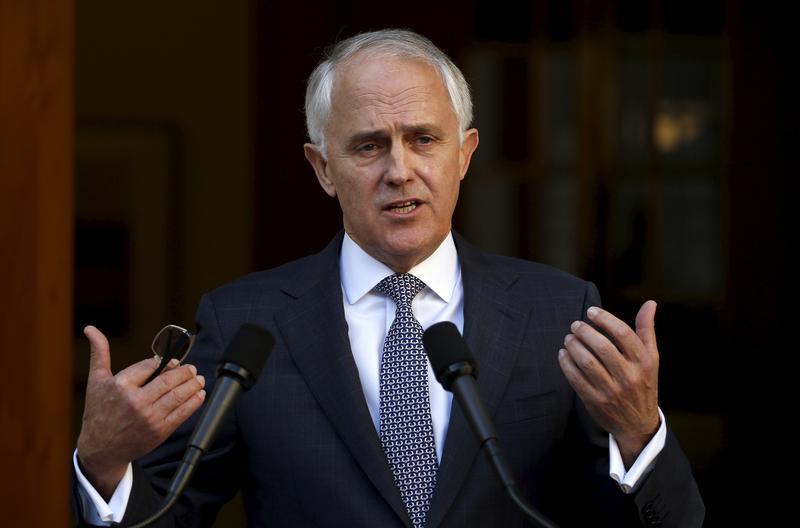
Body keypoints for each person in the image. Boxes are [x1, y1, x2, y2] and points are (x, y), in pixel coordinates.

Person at [72, 29, 704, 527]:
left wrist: (641, 432)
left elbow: (663, 521)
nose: (399, 170)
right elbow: (165, 516)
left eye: (423, 139)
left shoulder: (558, 311)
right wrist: (103, 464)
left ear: (465, 155)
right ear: (322, 169)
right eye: (369, 146)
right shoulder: (247, 323)